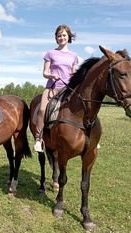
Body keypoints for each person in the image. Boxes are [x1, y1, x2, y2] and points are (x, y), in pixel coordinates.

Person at [33, 24, 78, 152]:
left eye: (64, 35)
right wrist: (52, 75)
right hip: (52, 87)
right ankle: (38, 138)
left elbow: (73, 73)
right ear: (56, 38)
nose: (61, 37)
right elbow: (44, 73)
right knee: (42, 110)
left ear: (68, 37)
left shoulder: (73, 56)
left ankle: (90, 135)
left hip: (68, 90)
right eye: (59, 35)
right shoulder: (50, 53)